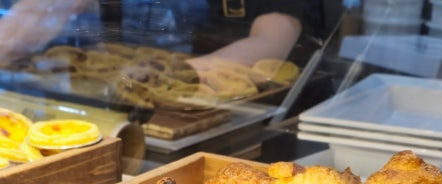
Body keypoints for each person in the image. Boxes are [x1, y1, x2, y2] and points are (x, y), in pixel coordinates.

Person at [0, 0, 316, 68]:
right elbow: (38, 12)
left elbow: (274, 38)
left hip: (229, 120)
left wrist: (175, 78)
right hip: (111, 106)